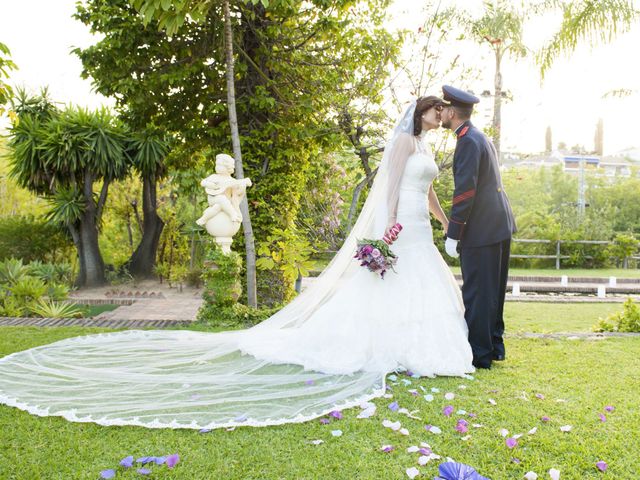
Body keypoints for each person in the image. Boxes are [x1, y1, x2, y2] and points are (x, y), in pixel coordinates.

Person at [0, 97, 473, 430]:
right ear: (421, 113)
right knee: (388, 282)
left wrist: (444, 218)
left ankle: (411, 345)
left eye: (441, 113)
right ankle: (379, 344)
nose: (439, 117)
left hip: (419, 225)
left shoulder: (429, 147)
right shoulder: (403, 145)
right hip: (398, 223)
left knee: (419, 281)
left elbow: (428, 189)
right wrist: (389, 224)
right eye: (434, 111)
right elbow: (390, 189)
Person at [439, 85, 517, 370]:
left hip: (482, 229)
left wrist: (454, 232)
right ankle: (493, 346)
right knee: (492, 290)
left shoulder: (467, 142)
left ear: (451, 111)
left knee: (478, 292)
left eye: (443, 109)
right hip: (497, 224)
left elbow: (464, 192)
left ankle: (479, 354)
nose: (441, 114)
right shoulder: (478, 137)